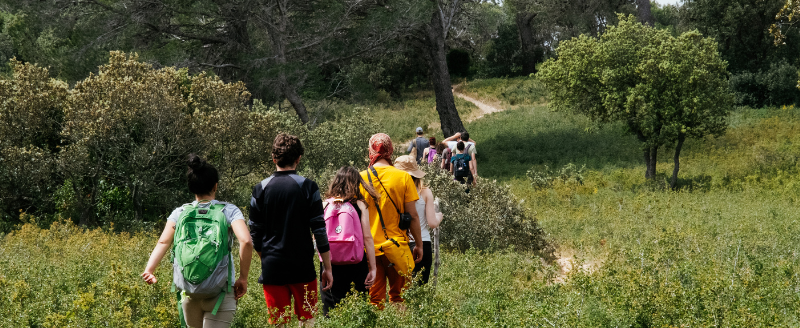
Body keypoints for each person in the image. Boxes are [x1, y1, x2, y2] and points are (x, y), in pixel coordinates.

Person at [142, 154, 253, 328]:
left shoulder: (180, 213)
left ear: (192, 188)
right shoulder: (228, 210)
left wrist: (149, 269)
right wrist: (243, 278)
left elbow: (163, 242)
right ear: (215, 186)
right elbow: (246, 241)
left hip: (190, 292)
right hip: (221, 291)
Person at [249, 134, 333, 326]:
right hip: (302, 266)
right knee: (308, 320)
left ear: (274, 158)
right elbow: (319, 231)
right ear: (298, 159)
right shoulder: (308, 187)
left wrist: (267, 257)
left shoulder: (259, 189)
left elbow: (255, 233)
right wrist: (327, 268)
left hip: (272, 267)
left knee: (279, 323)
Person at [360, 133, 424, 308]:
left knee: (375, 299)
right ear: (390, 150)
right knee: (399, 297)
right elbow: (413, 217)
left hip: (369, 250)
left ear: (370, 151)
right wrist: (419, 244)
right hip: (398, 247)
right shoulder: (403, 177)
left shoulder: (360, 178)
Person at [320, 166, 379, 315]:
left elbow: (318, 236)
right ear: (356, 183)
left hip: (329, 263)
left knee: (330, 308)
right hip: (356, 264)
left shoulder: (325, 204)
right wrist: (373, 268)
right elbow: (367, 237)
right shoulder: (359, 205)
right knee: (357, 308)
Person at [394, 155, 444, 285]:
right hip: (422, 242)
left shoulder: (393, 192)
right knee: (419, 289)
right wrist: (439, 216)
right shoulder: (425, 192)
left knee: (400, 289)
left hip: (397, 243)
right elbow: (432, 223)